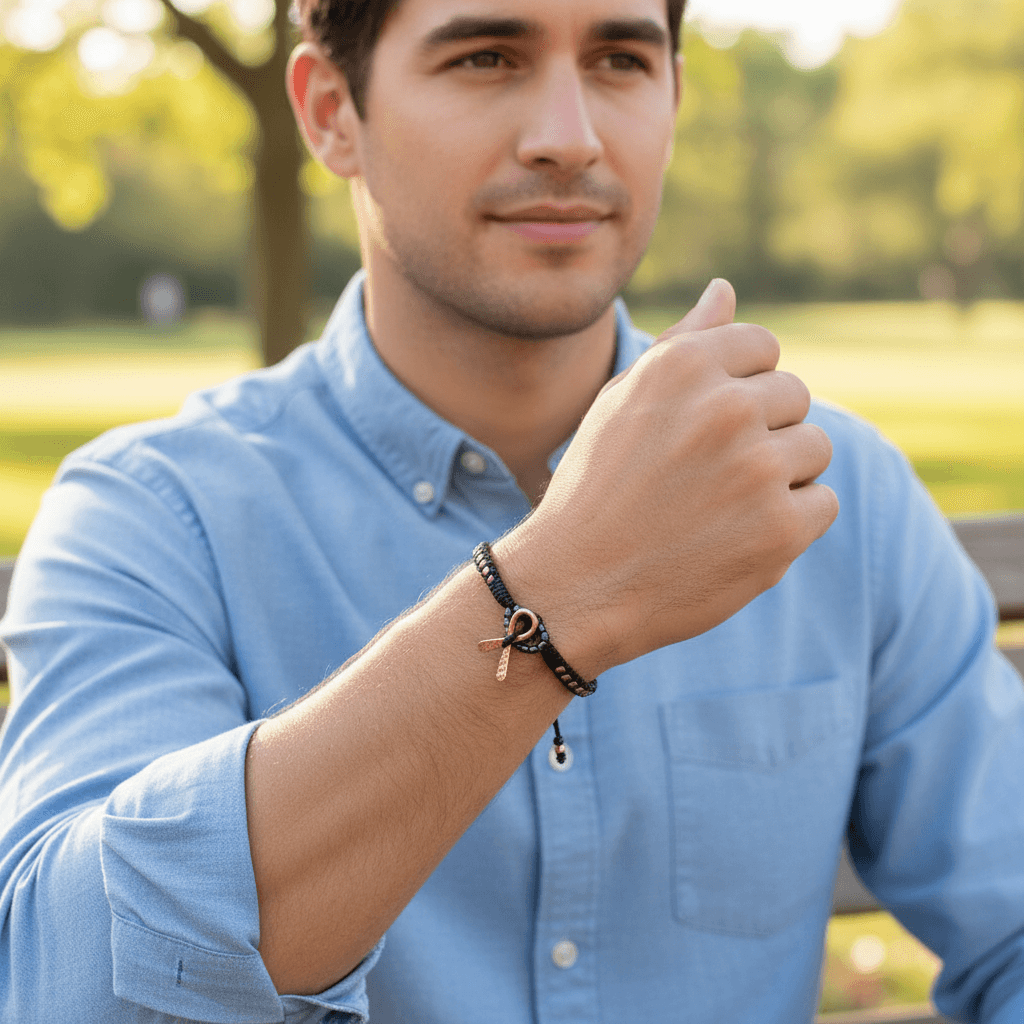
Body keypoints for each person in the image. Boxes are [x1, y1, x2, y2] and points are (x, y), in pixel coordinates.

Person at [1, 0, 1022, 1020]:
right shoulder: (152, 519)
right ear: (329, 112)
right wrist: (560, 587)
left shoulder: (839, 495)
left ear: (673, 96)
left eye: (620, 59)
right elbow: (65, 990)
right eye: (486, 57)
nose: (569, 138)